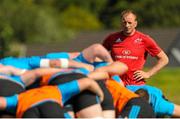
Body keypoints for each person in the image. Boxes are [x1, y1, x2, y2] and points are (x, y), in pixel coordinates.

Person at [102, 9, 169, 86]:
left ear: (135, 23)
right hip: (116, 84)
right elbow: (99, 55)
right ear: (121, 23)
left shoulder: (145, 39)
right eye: (124, 22)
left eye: (130, 23)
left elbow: (164, 59)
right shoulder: (112, 38)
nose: (127, 25)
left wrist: (148, 73)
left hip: (135, 85)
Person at [0, 77, 104, 118]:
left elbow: (1, 102)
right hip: (50, 105)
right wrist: (100, 95)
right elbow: (88, 82)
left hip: (27, 110)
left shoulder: (20, 96)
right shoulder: (55, 89)